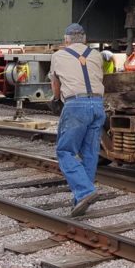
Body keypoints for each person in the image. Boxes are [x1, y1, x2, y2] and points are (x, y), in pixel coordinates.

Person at [50, 23, 106, 217]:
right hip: (98, 105)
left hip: (76, 105)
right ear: (85, 38)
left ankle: (85, 192)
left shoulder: (58, 56)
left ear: (66, 39)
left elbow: (56, 84)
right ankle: (80, 199)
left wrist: (56, 99)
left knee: (65, 151)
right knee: (90, 153)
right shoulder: (96, 54)